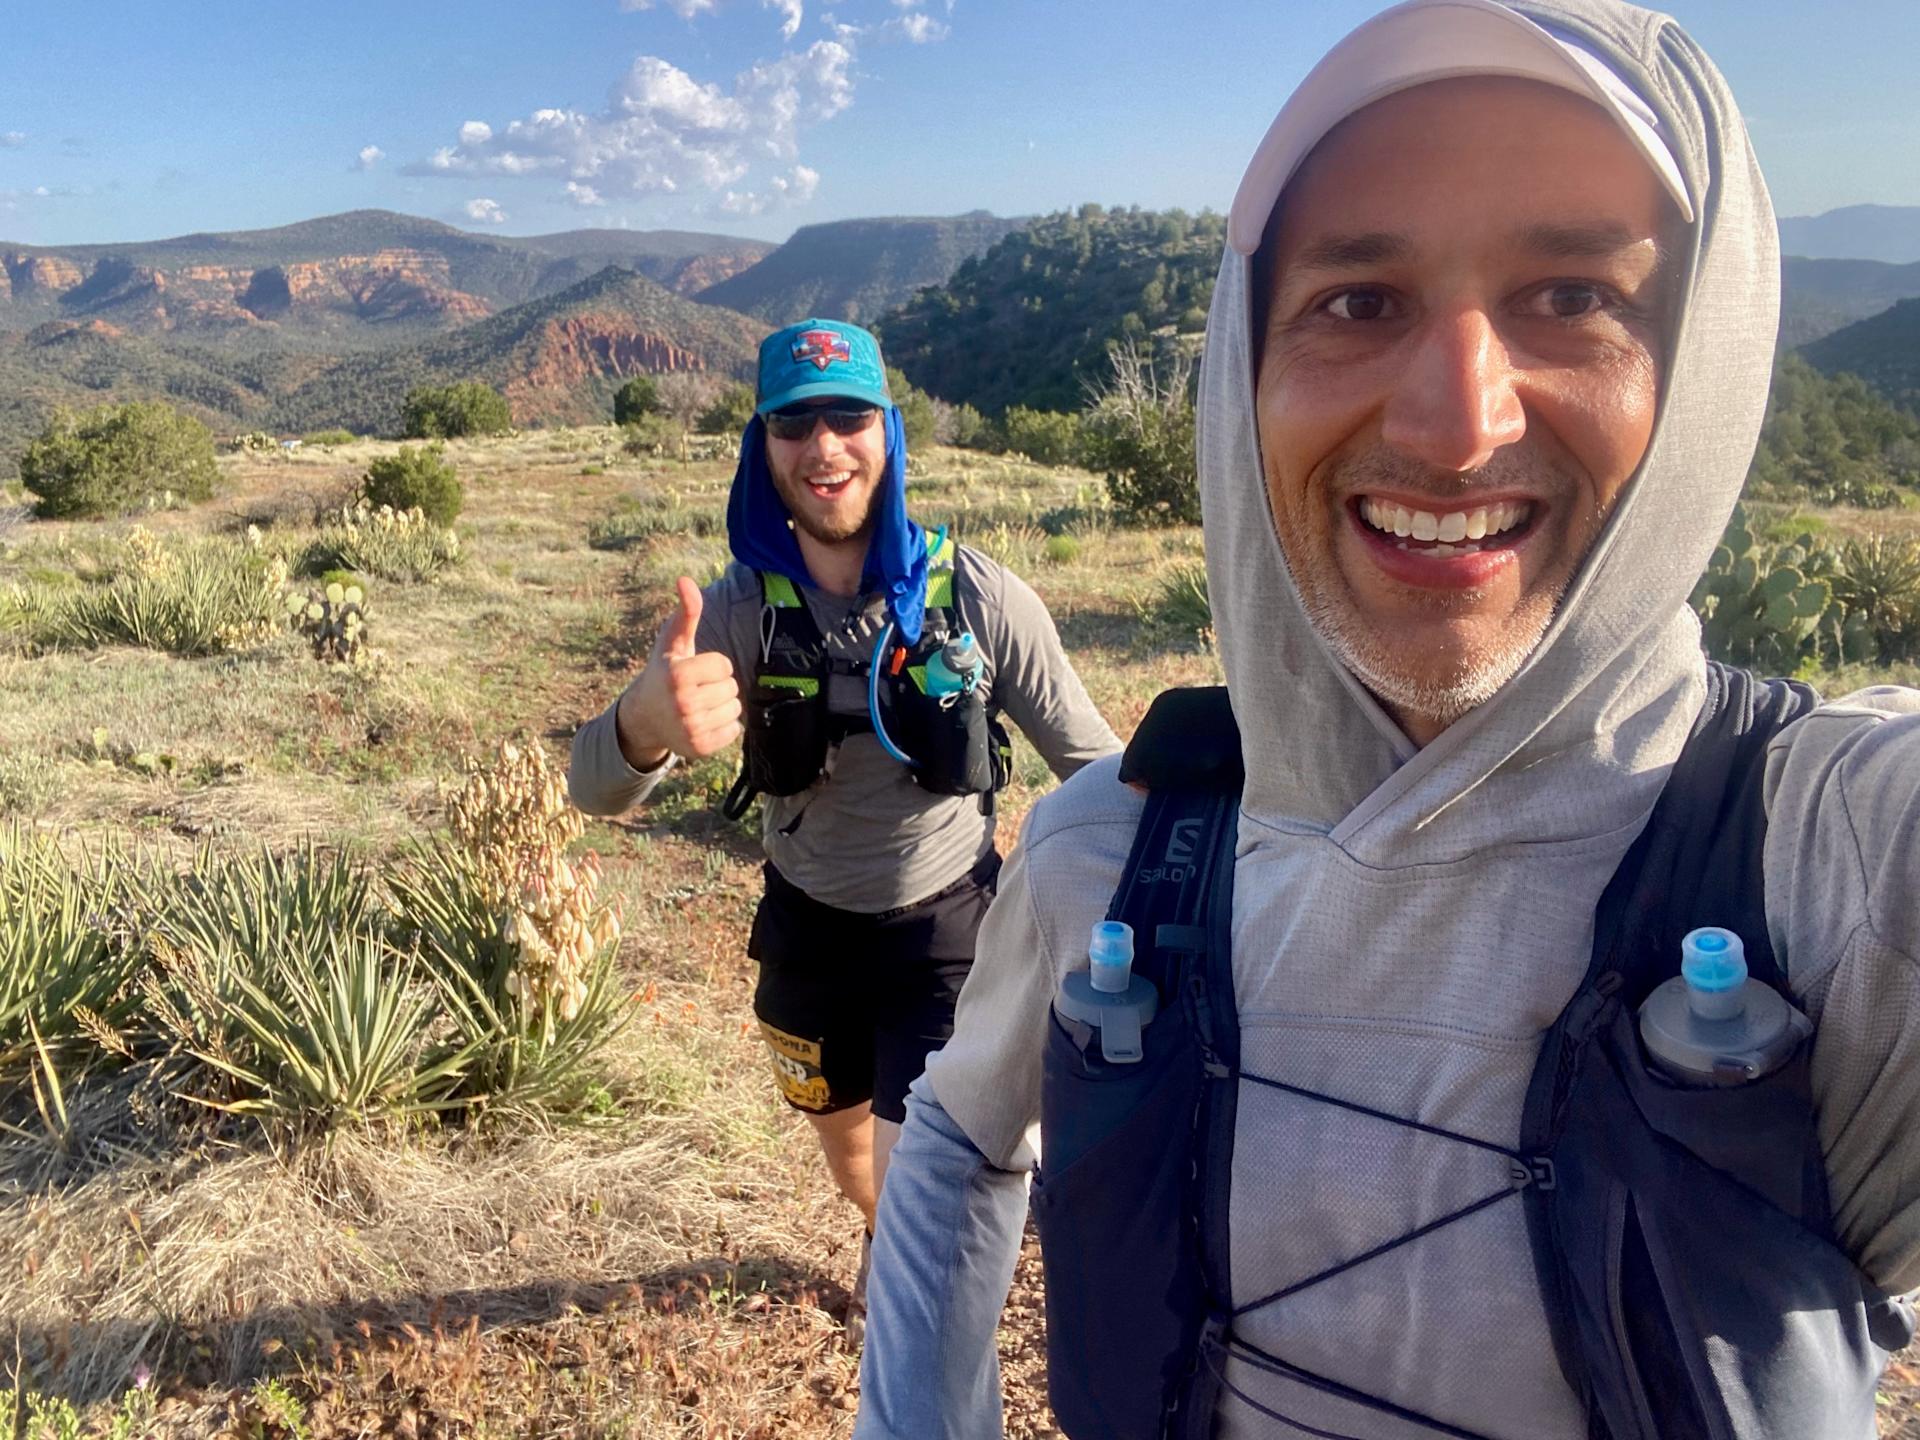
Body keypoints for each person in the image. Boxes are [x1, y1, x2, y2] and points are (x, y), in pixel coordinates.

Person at [855, 2, 1920, 1437]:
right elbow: (957, 1143)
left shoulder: (1840, 878)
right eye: (1359, 302)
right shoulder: (1113, 856)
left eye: (1573, 296)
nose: (1453, 422)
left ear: (1703, 364)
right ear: (1244, 373)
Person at [568, 318, 1119, 1318]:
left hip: (948, 932)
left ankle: (910, 1323)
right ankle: (876, 1224)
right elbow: (593, 790)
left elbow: (1101, 770)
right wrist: (644, 724)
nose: (824, 445)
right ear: (763, 445)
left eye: (848, 417)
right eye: (795, 422)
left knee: (926, 1190)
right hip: (807, 928)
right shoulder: (739, 613)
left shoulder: (979, 598)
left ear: (889, 433)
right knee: (848, 1147)